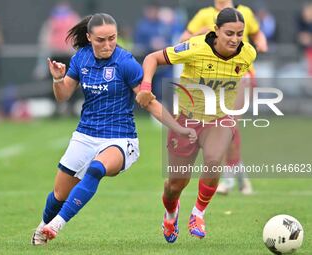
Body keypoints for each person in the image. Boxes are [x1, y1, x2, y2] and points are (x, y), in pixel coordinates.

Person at [31, 13, 197, 245]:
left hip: (120, 137)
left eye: (112, 38)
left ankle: (57, 224)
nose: (108, 44)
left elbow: (148, 101)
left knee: (97, 169)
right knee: (58, 195)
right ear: (89, 37)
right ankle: (42, 228)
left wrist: (178, 128)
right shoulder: (81, 58)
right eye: (101, 40)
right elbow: (63, 96)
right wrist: (58, 80)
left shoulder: (125, 62)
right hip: (85, 134)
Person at [136, 8, 256, 242]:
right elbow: (153, 58)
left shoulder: (248, 54)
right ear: (216, 30)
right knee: (175, 185)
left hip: (219, 120)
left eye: (240, 34)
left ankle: (198, 213)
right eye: (229, 33)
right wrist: (146, 87)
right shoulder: (195, 47)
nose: (235, 39)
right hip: (186, 120)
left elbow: (243, 82)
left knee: (213, 160)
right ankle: (171, 213)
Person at [179, 0, 268, 195]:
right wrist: (199, 33)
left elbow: (257, 32)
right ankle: (241, 176)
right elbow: (181, 41)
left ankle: (227, 178)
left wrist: (261, 41)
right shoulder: (204, 14)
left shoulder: (244, 12)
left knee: (228, 125)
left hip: (241, 77)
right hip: (212, 81)